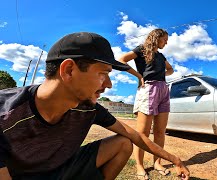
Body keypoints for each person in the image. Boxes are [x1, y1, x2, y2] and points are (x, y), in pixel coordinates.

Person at [0, 32, 190, 180]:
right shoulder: (5, 113)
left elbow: (134, 136)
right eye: (103, 73)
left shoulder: (88, 107)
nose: (109, 84)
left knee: (123, 143)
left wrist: (175, 159)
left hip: (62, 169)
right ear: (68, 70)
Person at [118, 28, 173, 179]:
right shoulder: (141, 50)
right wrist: (138, 75)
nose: (166, 43)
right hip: (149, 88)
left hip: (163, 89)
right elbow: (121, 59)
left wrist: (163, 74)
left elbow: (171, 70)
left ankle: (157, 163)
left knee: (160, 132)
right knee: (143, 133)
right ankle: (140, 166)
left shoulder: (161, 56)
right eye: (164, 39)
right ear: (156, 37)